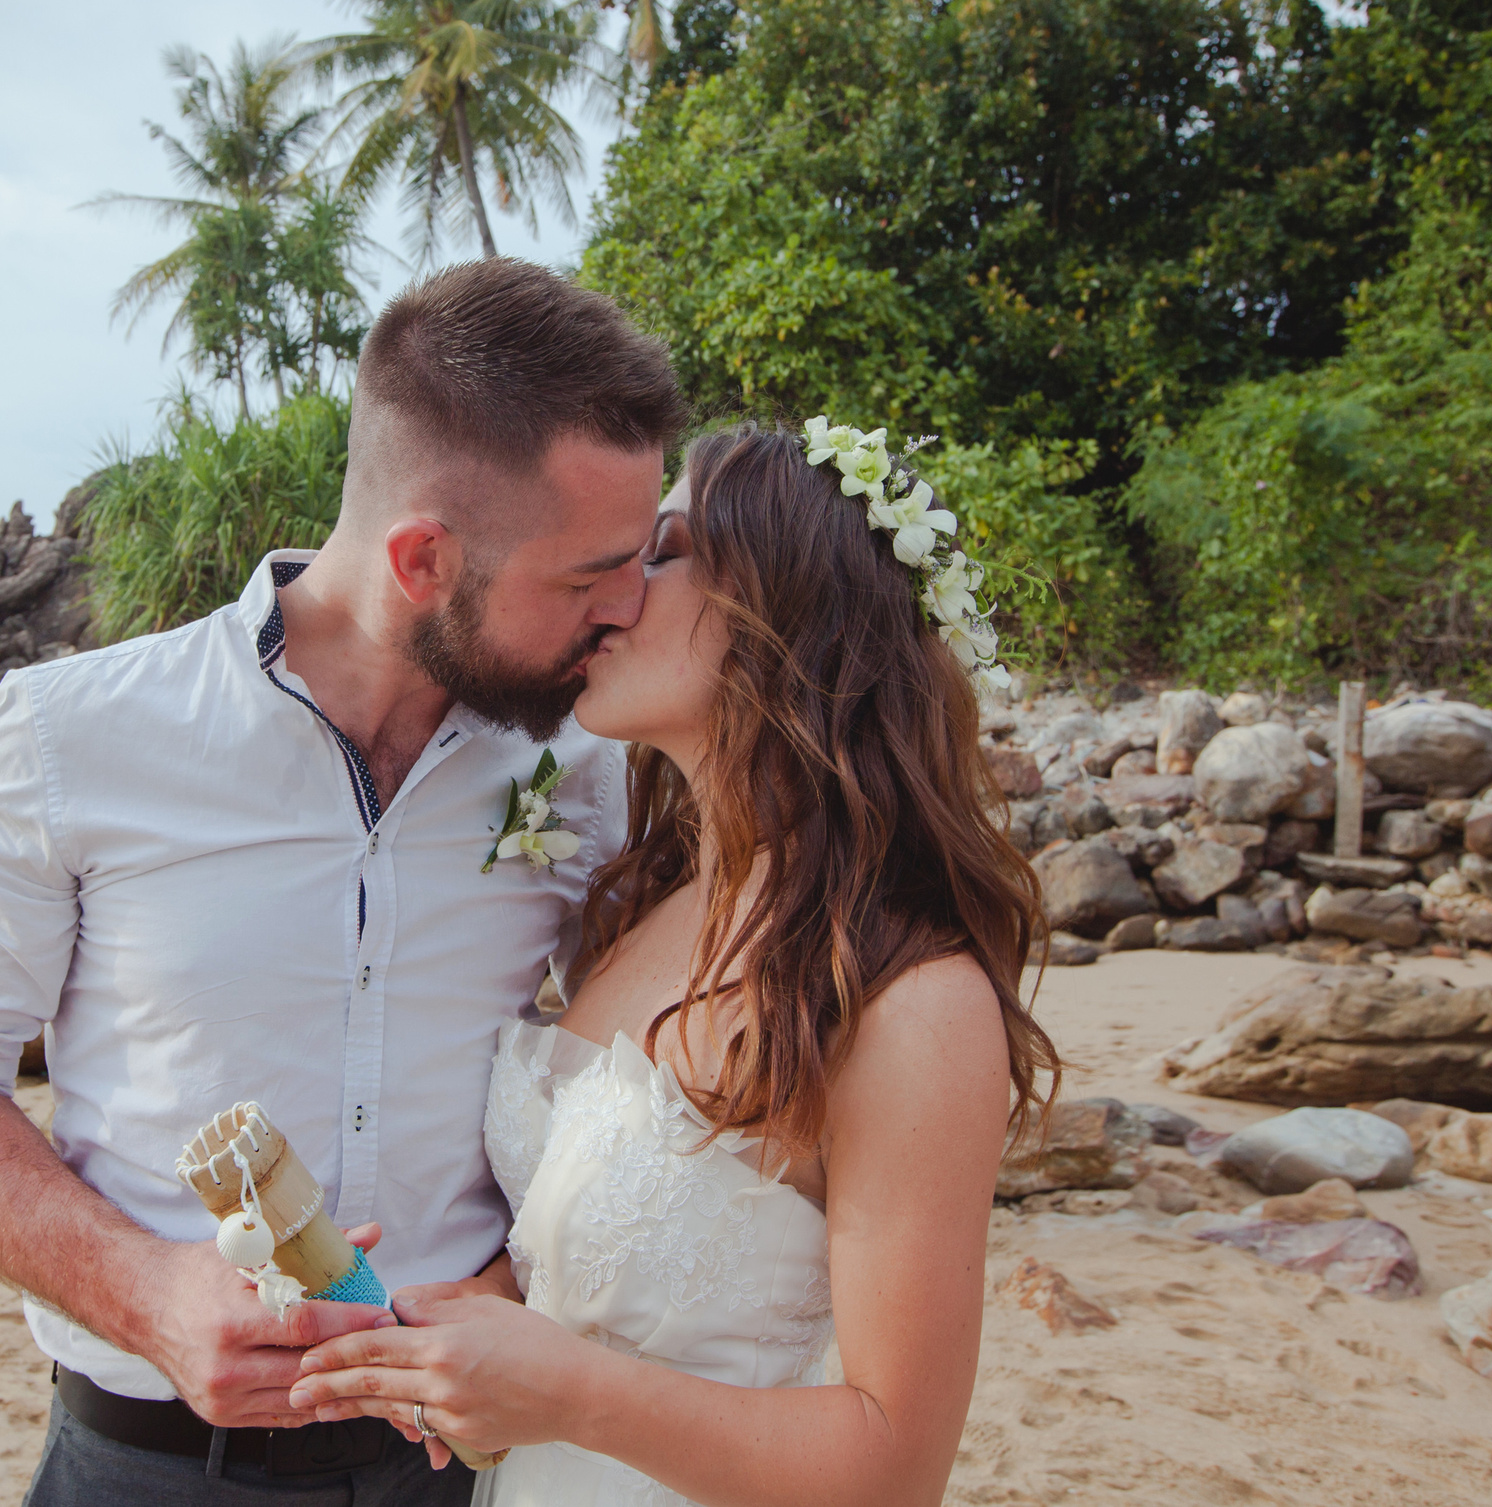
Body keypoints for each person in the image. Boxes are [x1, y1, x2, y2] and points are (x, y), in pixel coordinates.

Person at [0, 256, 690, 1505]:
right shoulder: (64, 738)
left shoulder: (592, 766)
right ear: (423, 562)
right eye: (587, 577)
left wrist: (519, 1286)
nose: (629, 609)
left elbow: (650, 1072)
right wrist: (140, 1294)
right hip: (148, 1464)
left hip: (473, 1470)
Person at [289, 420, 1062, 1507]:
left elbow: (895, 1466)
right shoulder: (640, 900)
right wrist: (465, 1318)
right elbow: (583, 1249)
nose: (611, 595)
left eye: (660, 553)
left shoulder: (910, 1002)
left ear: (786, 609)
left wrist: (570, 1395)